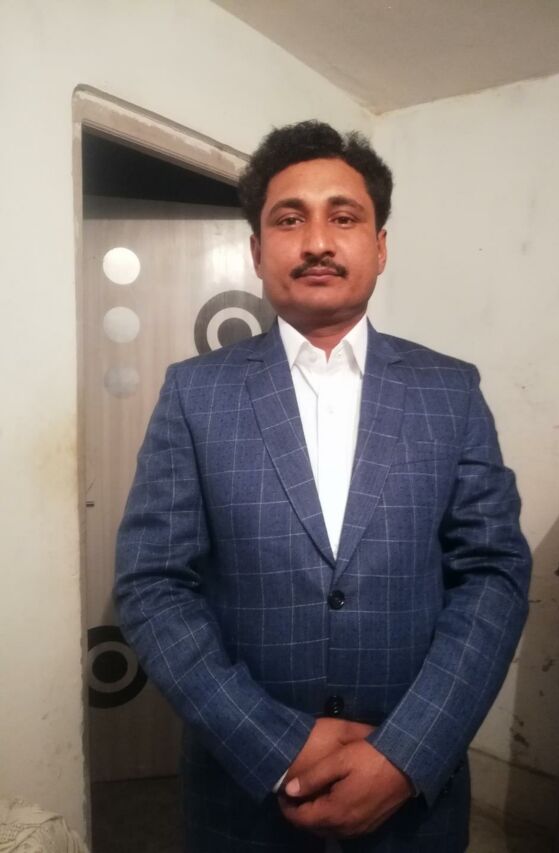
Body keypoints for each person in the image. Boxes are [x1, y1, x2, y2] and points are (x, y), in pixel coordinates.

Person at [115, 120, 531, 852]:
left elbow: (493, 573)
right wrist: (275, 744)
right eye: (289, 219)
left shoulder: (450, 390)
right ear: (256, 250)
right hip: (245, 802)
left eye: (343, 217)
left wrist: (407, 753)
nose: (316, 241)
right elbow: (153, 583)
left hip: (413, 803)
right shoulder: (194, 393)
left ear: (379, 245)